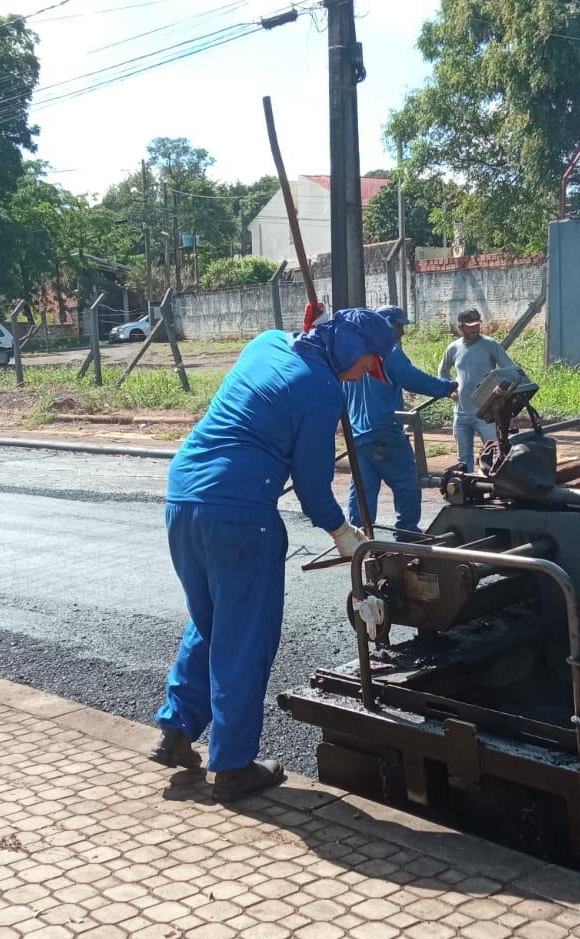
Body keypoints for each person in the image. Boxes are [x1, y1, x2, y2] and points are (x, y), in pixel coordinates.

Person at [151, 308, 396, 802]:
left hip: (183, 496)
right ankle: (235, 767)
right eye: (369, 363)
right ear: (350, 350)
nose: (366, 375)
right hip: (240, 516)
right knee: (244, 636)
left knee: (211, 619)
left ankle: (177, 729)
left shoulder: (266, 342)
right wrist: (344, 535)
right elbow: (311, 487)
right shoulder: (322, 389)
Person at [344, 307, 457, 535]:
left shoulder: (352, 352)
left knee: (363, 488)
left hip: (357, 434)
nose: (402, 332)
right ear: (386, 324)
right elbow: (412, 379)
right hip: (384, 431)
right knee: (407, 481)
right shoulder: (388, 352)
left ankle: (358, 536)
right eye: (399, 325)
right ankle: (407, 532)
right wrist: (447, 387)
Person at [439, 306, 519, 470]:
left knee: (495, 454)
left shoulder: (490, 345)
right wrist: (449, 389)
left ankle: (497, 486)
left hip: (486, 412)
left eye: (477, 325)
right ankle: (467, 490)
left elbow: (510, 370)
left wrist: (502, 387)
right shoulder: (453, 348)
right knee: (464, 458)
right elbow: (443, 371)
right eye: (470, 326)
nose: (475, 329)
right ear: (460, 327)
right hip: (461, 412)